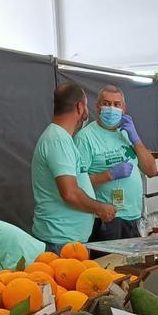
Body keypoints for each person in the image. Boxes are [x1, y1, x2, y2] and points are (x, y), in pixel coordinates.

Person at [30, 84, 115, 253]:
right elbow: (70, 193)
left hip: (68, 241)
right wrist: (100, 208)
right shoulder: (58, 140)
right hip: (60, 242)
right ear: (79, 106)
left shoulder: (62, 138)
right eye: (86, 105)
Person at [76, 85, 158, 242]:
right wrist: (109, 175)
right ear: (98, 107)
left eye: (116, 104)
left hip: (135, 217)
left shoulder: (126, 132)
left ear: (124, 108)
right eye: (106, 103)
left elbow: (151, 170)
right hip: (107, 219)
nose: (111, 108)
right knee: (108, 265)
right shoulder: (85, 138)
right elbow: (76, 184)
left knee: (133, 266)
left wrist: (136, 139)